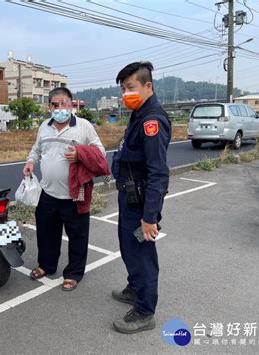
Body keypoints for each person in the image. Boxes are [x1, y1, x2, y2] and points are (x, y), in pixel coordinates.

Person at [23, 87, 106, 291]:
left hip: (74, 193)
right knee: (46, 233)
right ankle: (47, 265)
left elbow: (100, 152)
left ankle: (74, 273)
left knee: (77, 235)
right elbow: (36, 150)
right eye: (55, 104)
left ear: (72, 104)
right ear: (49, 106)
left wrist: (80, 154)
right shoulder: (44, 126)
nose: (60, 108)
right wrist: (31, 162)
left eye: (64, 103)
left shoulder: (84, 126)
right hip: (48, 192)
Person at [110, 61, 171, 333]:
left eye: (130, 87)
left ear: (148, 86)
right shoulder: (138, 113)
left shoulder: (152, 121)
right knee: (127, 247)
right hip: (129, 197)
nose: (126, 94)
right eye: (123, 89)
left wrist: (150, 217)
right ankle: (135, 289)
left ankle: (145, 311)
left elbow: (158, 173)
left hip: (141, 202)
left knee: (143, 254)